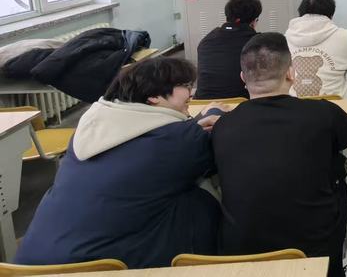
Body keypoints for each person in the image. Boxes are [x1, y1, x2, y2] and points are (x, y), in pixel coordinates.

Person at [14, 58, 221, 268]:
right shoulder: (179, 139)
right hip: (98, 269)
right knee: (201, 198)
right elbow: (220, 154)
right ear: (154, 96)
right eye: (185, 86)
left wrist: (193, 126)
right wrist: (215, 113)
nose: (191, 93)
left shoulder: (90, 129)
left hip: (30, 264)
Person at [212, 33, 347, 277]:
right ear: (291, 73)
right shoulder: (322, 113)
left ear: (243, 78)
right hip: (316, 253)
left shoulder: (223, 126)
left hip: (242, 255)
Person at [285, 0, 347, 114]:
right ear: (331, 15)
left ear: (300, 13)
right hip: (335, 109)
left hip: (293, 108)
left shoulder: (284, 39)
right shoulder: (345, 37)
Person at [195, 0, 261, 99]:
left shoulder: (206, 40)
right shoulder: (258, 43)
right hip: (242, 103)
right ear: (253, 22)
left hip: (203, 103)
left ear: (227, 17)